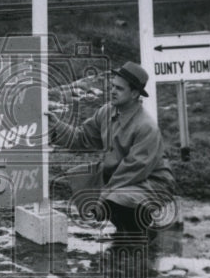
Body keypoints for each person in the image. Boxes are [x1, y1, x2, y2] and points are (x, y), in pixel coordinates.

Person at [47, 61, 175, 242]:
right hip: (121, 177)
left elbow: (132, 170)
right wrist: (56, 126)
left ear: (134, 94)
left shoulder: (146, 127)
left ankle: (143, 233)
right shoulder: (106, 112)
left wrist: (103, 198)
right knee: (83, 180)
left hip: (152, 182)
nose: (113, 91)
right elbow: (82, 138)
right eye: (113, 86)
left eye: (120, 89)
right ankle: (125, 231)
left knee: (116, 200)